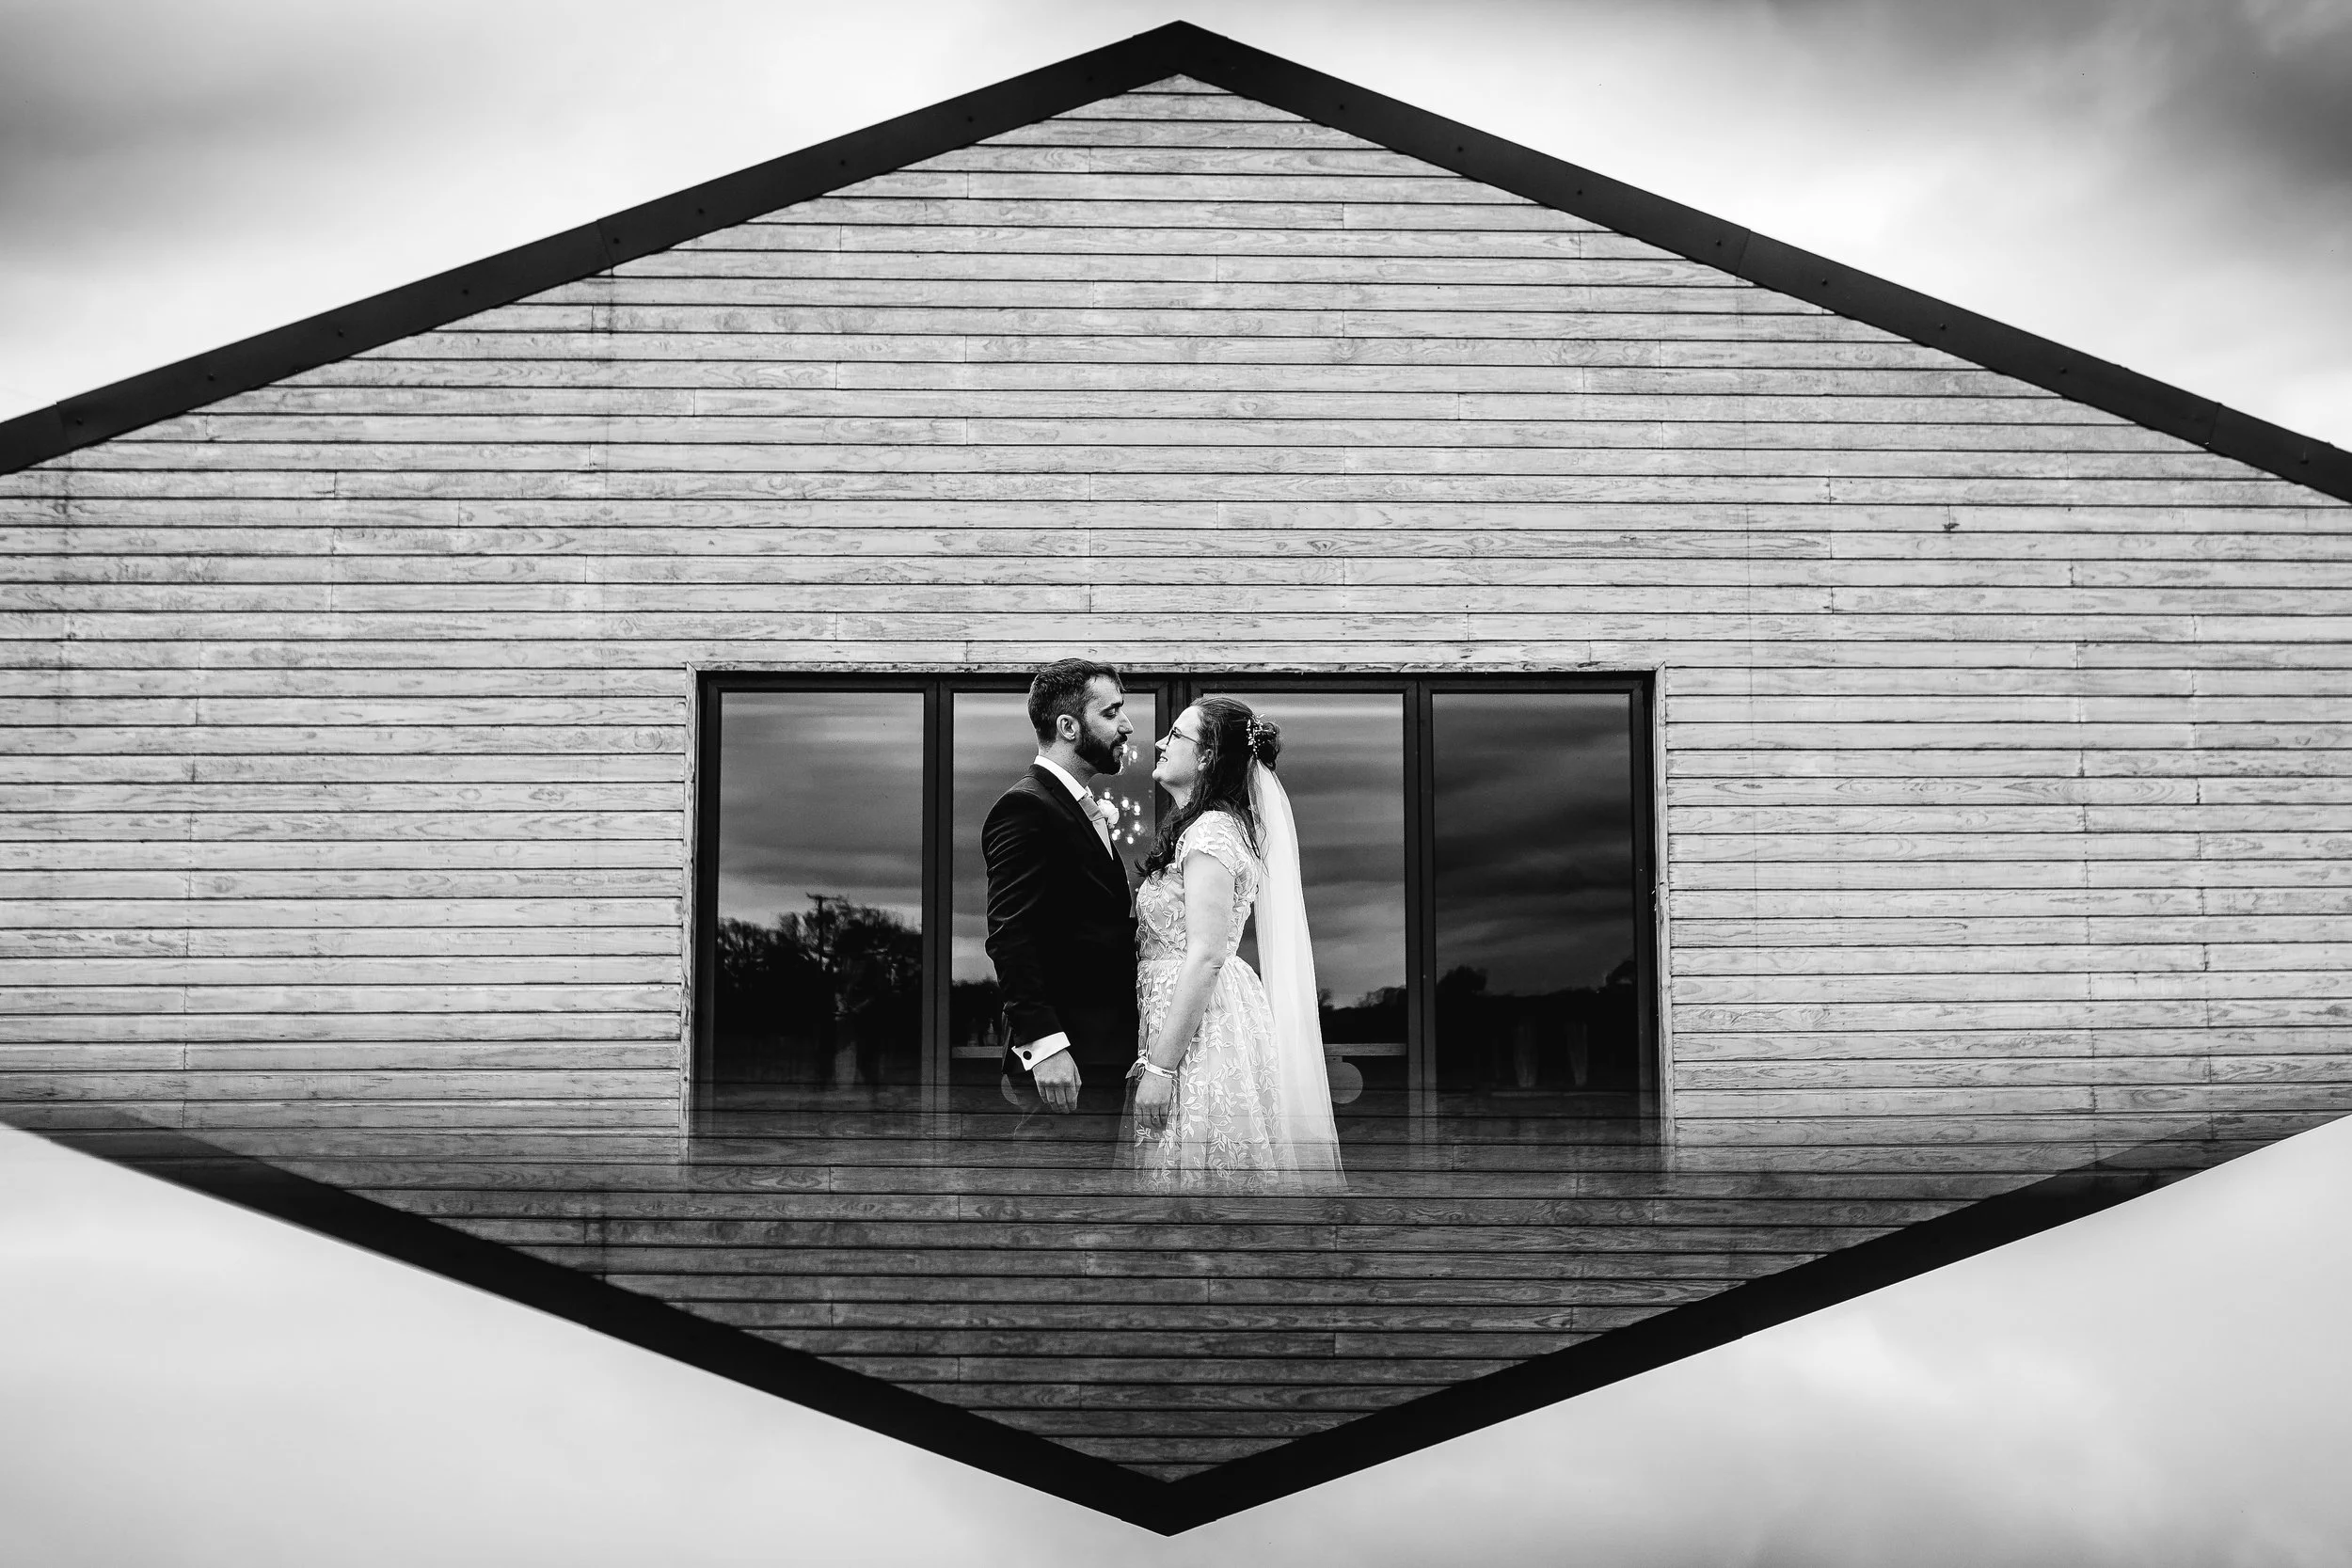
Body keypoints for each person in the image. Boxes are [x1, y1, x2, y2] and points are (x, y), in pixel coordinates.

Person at [1125, 696, 1343, 1190]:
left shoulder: (1211, 834)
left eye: (1176, 735)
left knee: (1198, 1179)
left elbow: (1205, 955)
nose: (1160, 742)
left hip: (1202, 1032)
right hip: (1187, 1021)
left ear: (1206, 757)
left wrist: (1160, 1067)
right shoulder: (1201, 829)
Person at [982, 658, 1138, 1128]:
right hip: (1067, 1058)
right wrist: (1046, 1045)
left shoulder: (1074, 806)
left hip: (1101, 1049)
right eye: (1110, 714)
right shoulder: (1026, 807)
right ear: (1068, 726)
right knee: (1059, 1192)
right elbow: (1010, 934)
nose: (1127, 726)